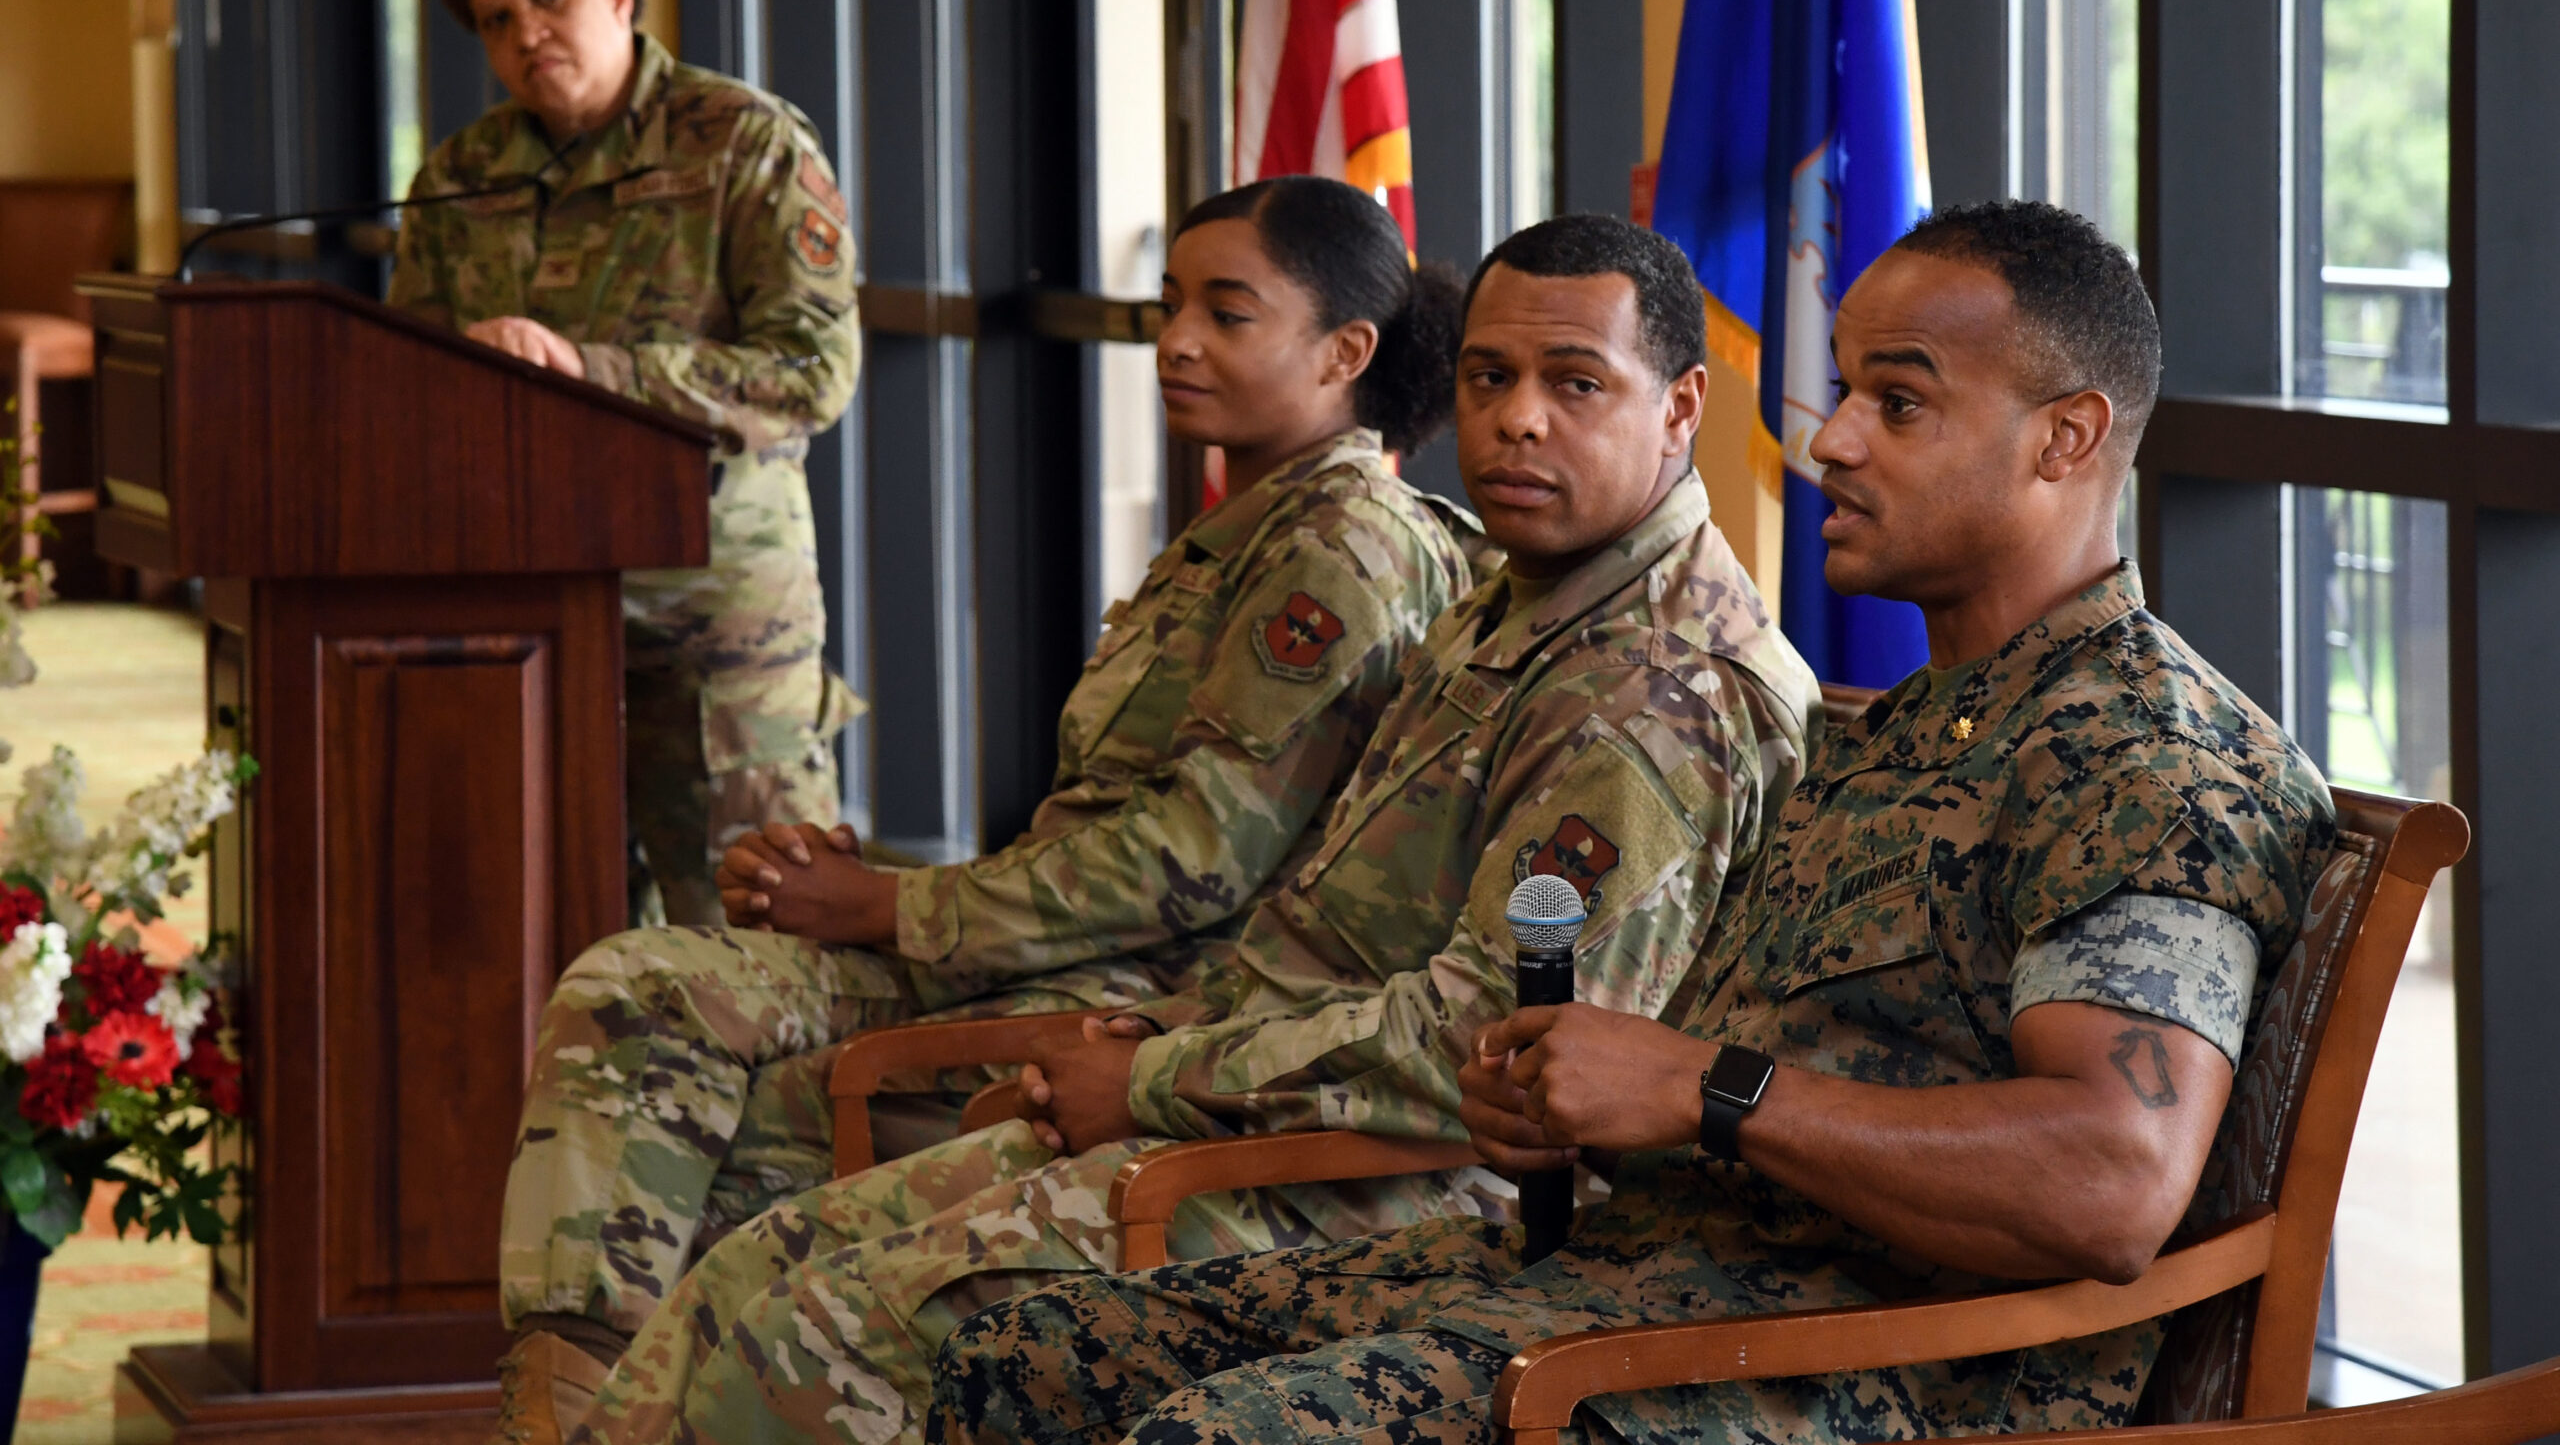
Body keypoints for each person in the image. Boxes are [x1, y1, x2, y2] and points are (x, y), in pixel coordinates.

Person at [927, 200, 2341, 1445]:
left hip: (1872, 1373)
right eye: (1843, 389)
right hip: (1650, 1274)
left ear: (2068, 439)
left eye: (1897, 405)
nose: (1828, 439)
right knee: (1028, 1355)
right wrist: (1577, 1103)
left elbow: (2109, 1183)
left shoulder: (2140, 753)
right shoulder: (1910, 726)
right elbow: (1763, 1080)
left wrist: (1707, 1093)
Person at [560, 214, 1823, 1445]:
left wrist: (1155, 1081)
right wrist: (1146, 1042)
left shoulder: (1653, 690)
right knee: (767, 1260)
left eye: (1576, 383)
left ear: (1680, 406)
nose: (1518, 418)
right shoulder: (1516, 602)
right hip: (1264, 1104)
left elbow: (1495, 1053)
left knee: (822, 1327)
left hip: (1410, 1183)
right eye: (1490, 377)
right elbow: (1323, 931)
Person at [488, 174, 1477, 1444]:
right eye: (1171, 304)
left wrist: (896, 905)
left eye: (1228, 314)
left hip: (1143, 998)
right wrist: (859, 896)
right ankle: (568, 1411)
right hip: (1047, 946)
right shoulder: (1252, 523)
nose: (1175, 339)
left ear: (1347, 353)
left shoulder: (1341, 549)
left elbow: (1191, 867)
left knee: (690, 1063)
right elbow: (1110, 824)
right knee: (640, 992)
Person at [387, 0, 860, 929]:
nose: (527, 35)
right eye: (497, 21)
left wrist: (585, 371)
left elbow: (809, 375)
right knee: (563, 926)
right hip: (532, 610)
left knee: (758, 918)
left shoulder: (744, 143)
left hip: (715, 608)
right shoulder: (458, 179)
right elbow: (412, 388)